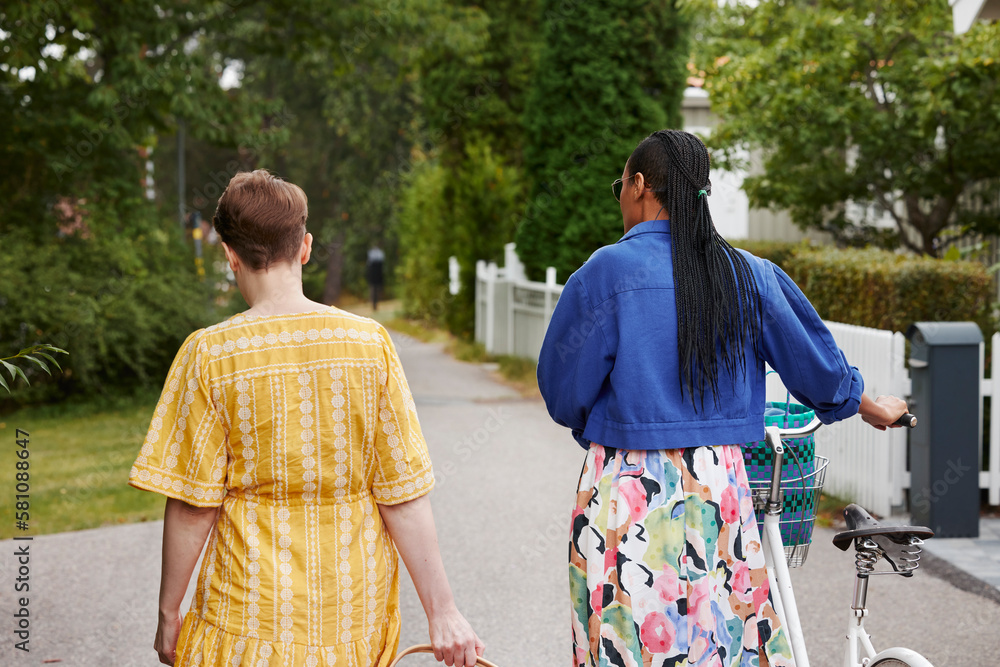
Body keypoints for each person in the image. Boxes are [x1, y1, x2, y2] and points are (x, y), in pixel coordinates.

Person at [536, 130, 908, 667]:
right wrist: (873, 407)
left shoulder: (606, 274)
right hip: (720, 487)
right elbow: (815, 367)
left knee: (624, 639)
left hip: (626, 488)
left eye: (620, 184)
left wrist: (601, 422)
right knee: (720, 643)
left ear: (639, 185)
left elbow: (562, 390)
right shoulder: (748, 274)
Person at [129, 170, 483, 667]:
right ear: (306, 247)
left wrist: (169, 613)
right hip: (354, 621)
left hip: (246, 623)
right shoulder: (370, 345)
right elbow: (402, 494)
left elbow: (193, 505)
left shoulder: (209, 355)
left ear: (230, 255)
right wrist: (443, 611)